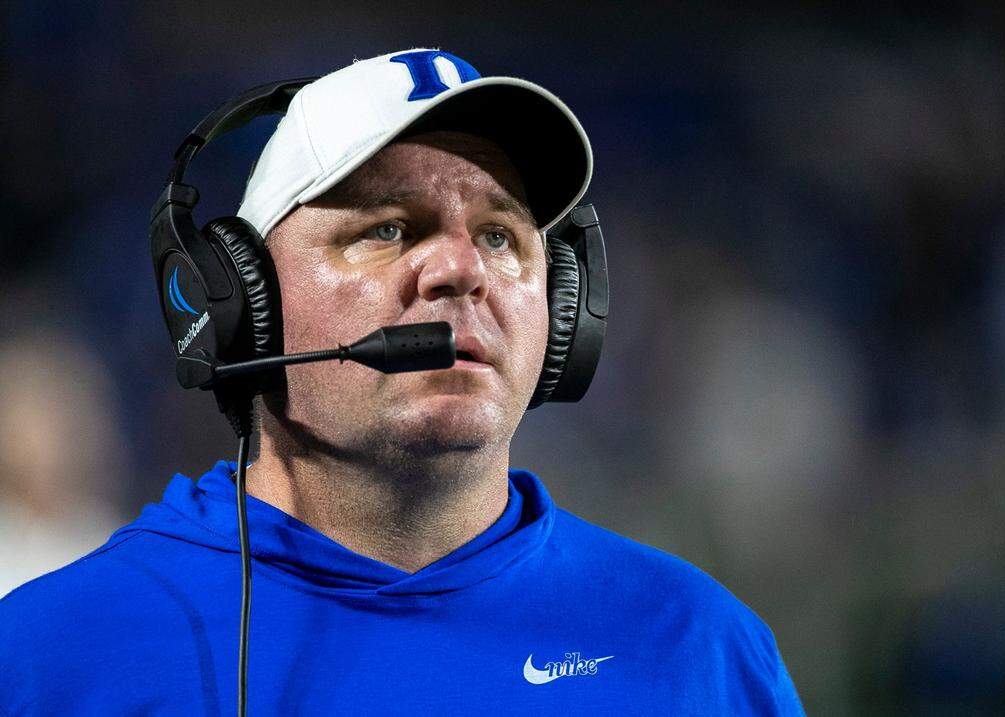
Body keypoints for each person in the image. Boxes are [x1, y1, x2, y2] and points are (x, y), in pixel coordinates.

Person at [0, 49, 804, 715]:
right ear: (239, 304)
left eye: (500, 235)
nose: (461, 268)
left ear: (564, 310)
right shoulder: (51, 657)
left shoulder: (700, 649)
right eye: (388, 228)